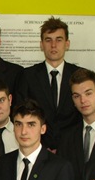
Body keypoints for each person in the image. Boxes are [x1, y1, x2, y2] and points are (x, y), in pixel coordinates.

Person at [15, 17, 80, 150]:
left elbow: (84, 114)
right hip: (37, 148)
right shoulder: (27, 75)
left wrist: (63, 147)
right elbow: (20, 112)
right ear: (41, 44)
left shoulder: (79, 75)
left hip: (72, 148)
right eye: (48, 40)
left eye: (59, 40)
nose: (53, 45)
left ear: (67, 44)